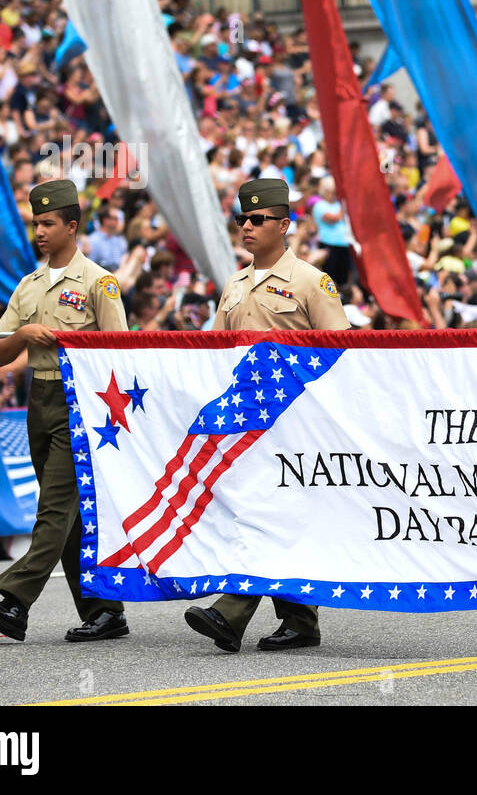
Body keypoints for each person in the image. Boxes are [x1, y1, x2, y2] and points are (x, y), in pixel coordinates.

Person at [184, 178, 350, 654]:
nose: (247, 226)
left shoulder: (311, 281)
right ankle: (300, 622)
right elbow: (214, 352)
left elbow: (341, 350)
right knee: (263, 511)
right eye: (242, 219)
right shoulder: (234, 285)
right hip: (245, 420)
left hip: (294, 421)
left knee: (268, 511)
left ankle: (231, 613)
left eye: (258, 219)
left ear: (285, 224)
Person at [0, 179, 130, 643]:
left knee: (55, 507)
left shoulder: (99, 282)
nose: (38, 231)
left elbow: (118, 352)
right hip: (38, 400)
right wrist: (26, 334)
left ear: (72, 226)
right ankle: (104, 612)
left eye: (47, 223)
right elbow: (0, 353)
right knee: (71, 515)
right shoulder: (29, 285)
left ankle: (15, 601)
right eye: (35, 223)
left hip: (79, 402)